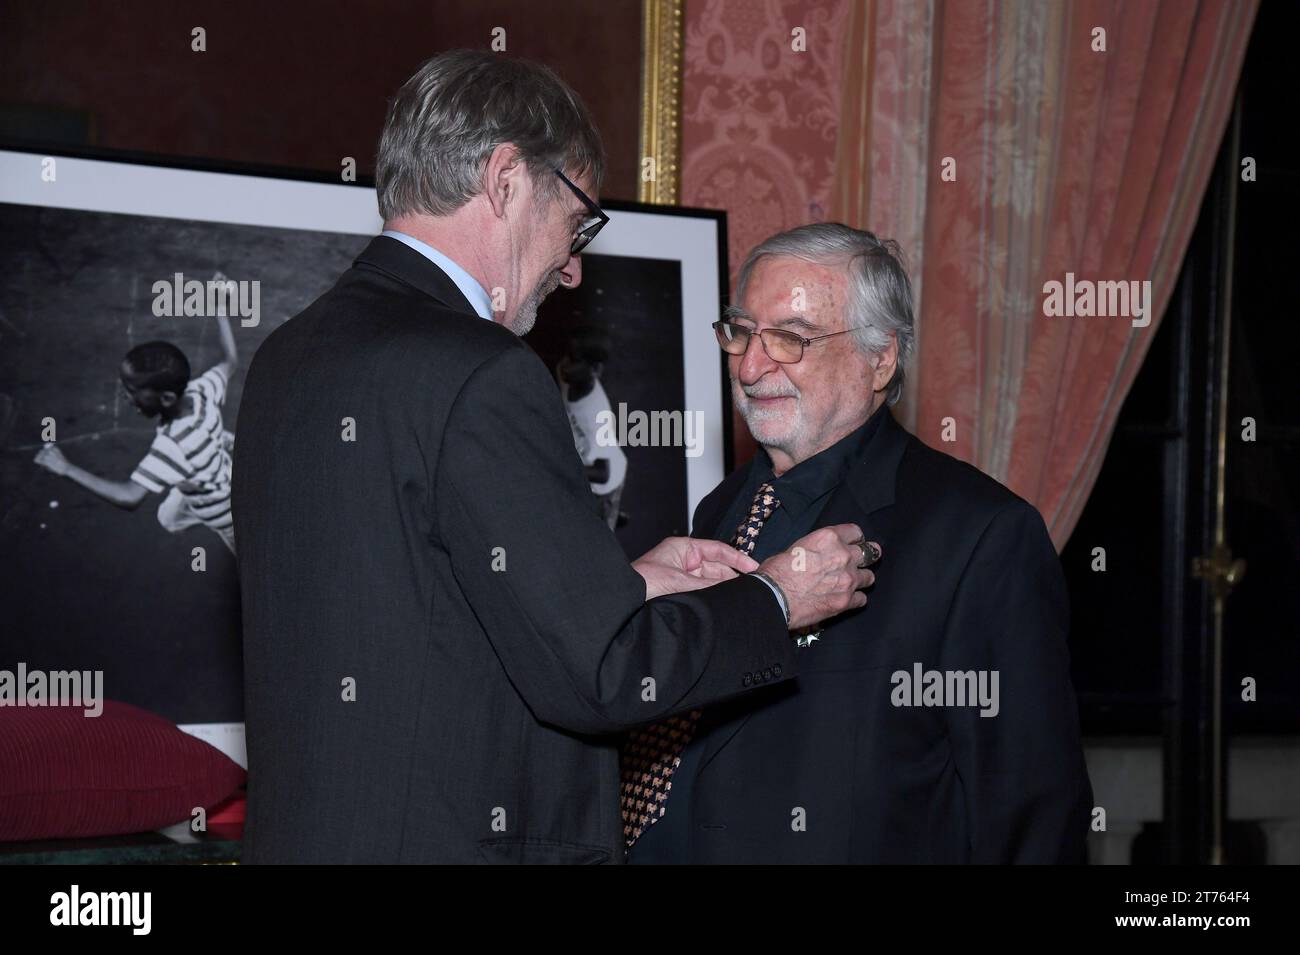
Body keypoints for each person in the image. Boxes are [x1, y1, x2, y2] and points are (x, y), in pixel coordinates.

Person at [231, 50, 877, 864]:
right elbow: (604, 676)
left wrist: (623, 582)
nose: (573, 267)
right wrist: (776, 598)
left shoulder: (288, 356)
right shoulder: (481, 370)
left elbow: (409, 604)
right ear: (505, 179)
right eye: (579, 223)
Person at [624, 223, 1094, 864]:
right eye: (741, 332)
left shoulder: (979, 535)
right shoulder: (721, 507)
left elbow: (1030, 812)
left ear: (882, 358)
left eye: (792, 338)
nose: (752, 366)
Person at [34, 310, 238, 555]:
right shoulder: (201, 391)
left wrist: (66, 468)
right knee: (168, 519)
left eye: (132, 391)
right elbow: (231, 361)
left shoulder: (173, 446)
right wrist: (220, 310)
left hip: (226, 515)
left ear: (167, 398)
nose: (125, 398)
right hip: (212, 472)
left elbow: (129, 496)